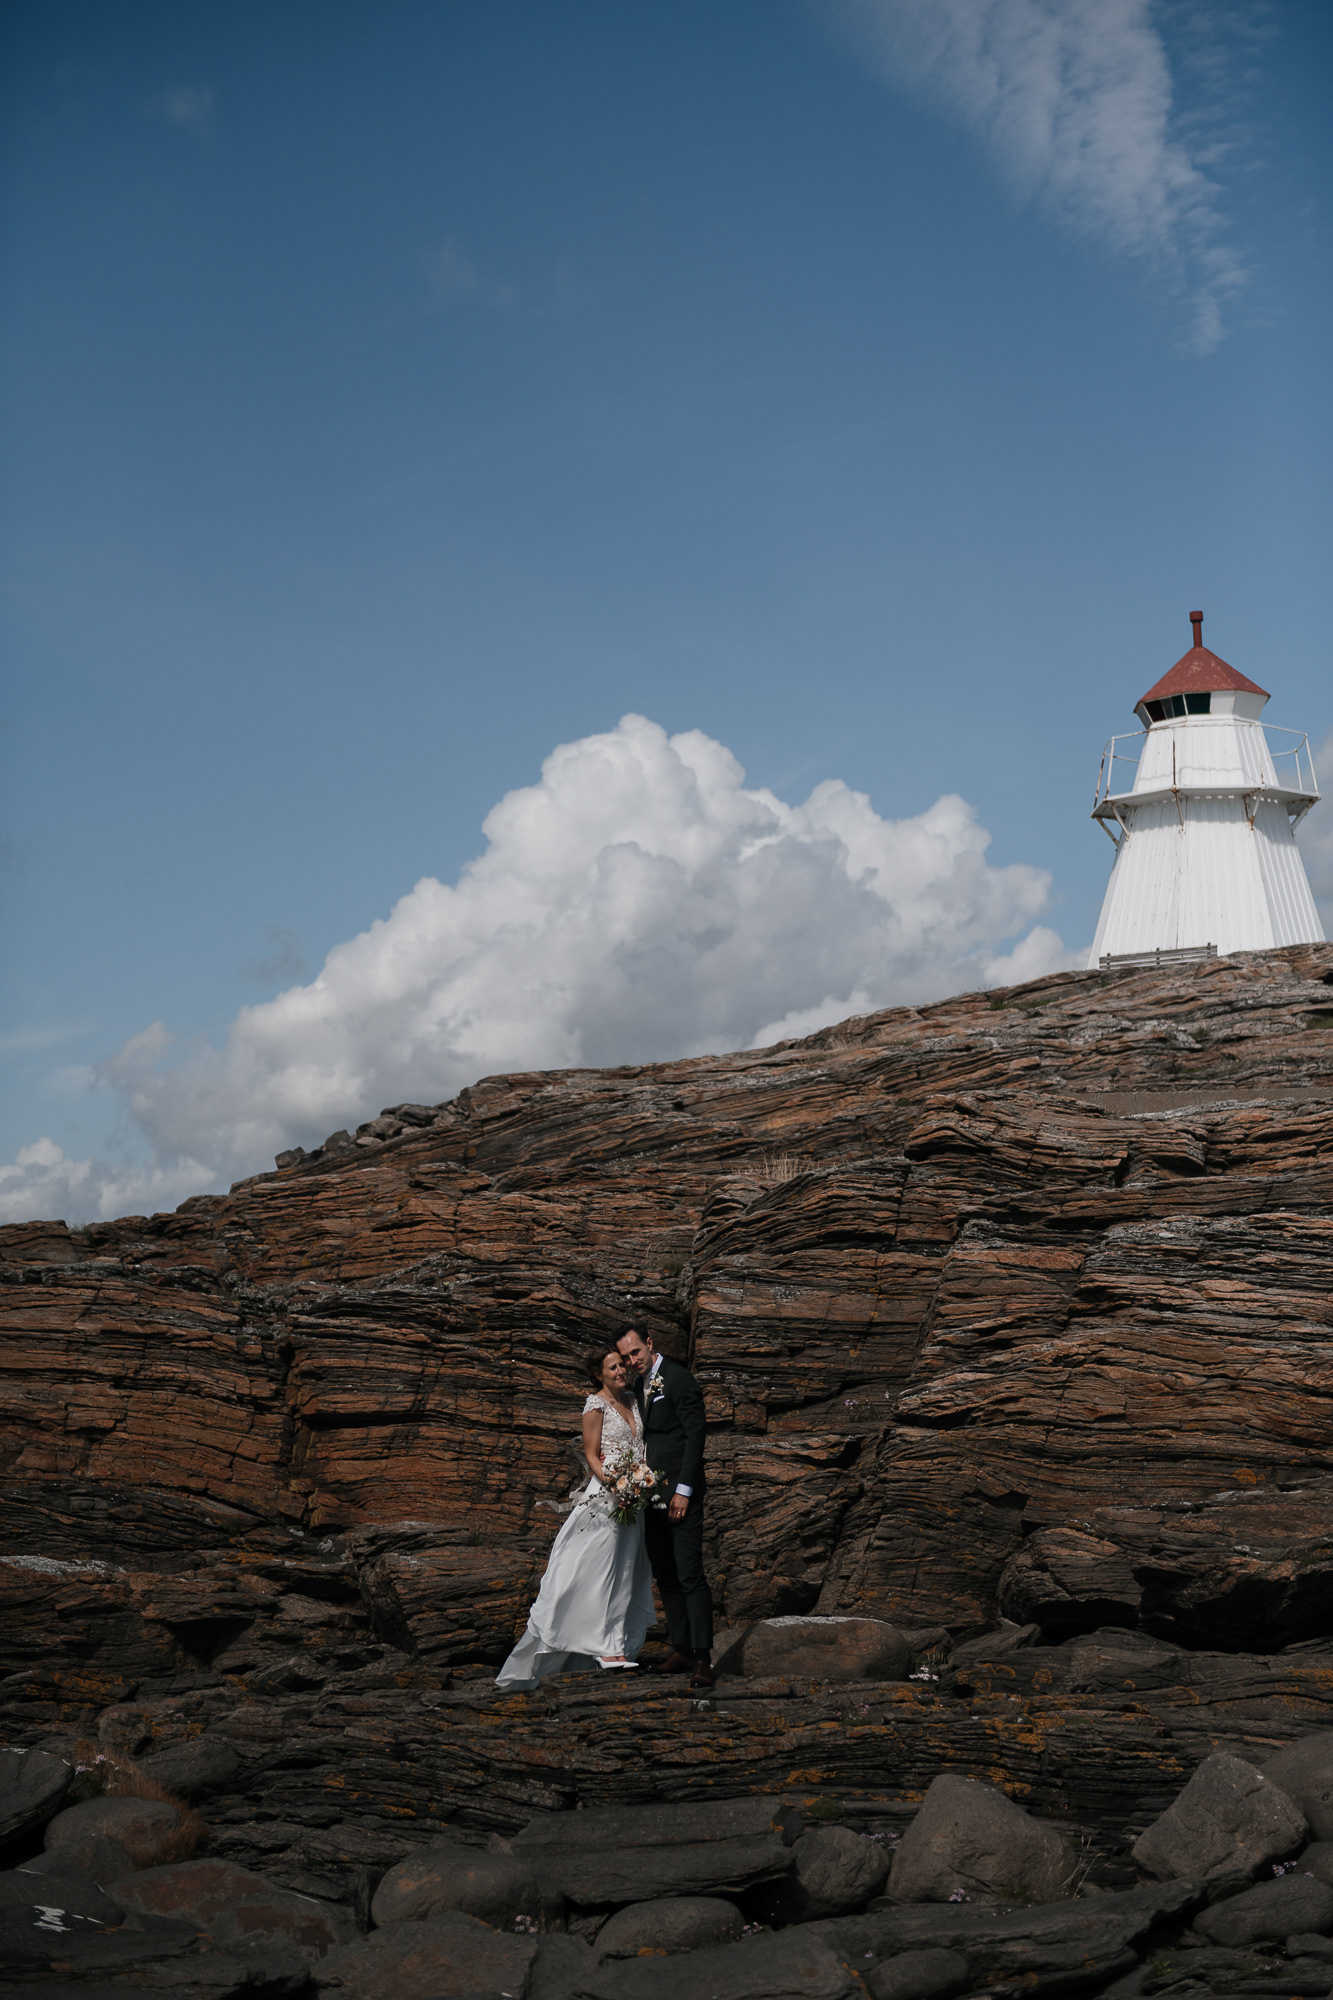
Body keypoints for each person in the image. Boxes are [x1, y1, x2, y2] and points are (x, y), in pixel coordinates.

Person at [495, 1343, 657, 1690]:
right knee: (597, 1570)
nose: (620, 1371)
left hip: (634, 1496)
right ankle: (601, 1646)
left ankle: (615, 1646)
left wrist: (638, 1483)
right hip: (608, 1497)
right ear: (599, 1374)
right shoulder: (595, 1405)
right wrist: (617, 1487)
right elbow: (592, 1455)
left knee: (627, 1571)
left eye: (622, 1365)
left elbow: (641, 1446)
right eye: (612, 1368)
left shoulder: (633, 1400)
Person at [615, 1324, 715, 1689]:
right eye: (625, 1357)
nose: (632, 1361)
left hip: (681, 1494)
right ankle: (682, 1649)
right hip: (650, 1496)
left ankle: (702, 1658)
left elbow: (695, 1435)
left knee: (690, 1574)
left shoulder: (678, 1378)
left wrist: (684, 1491)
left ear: (649, 1344)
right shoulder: (637, 1386)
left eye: (636, 1352)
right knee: (667, 1575)